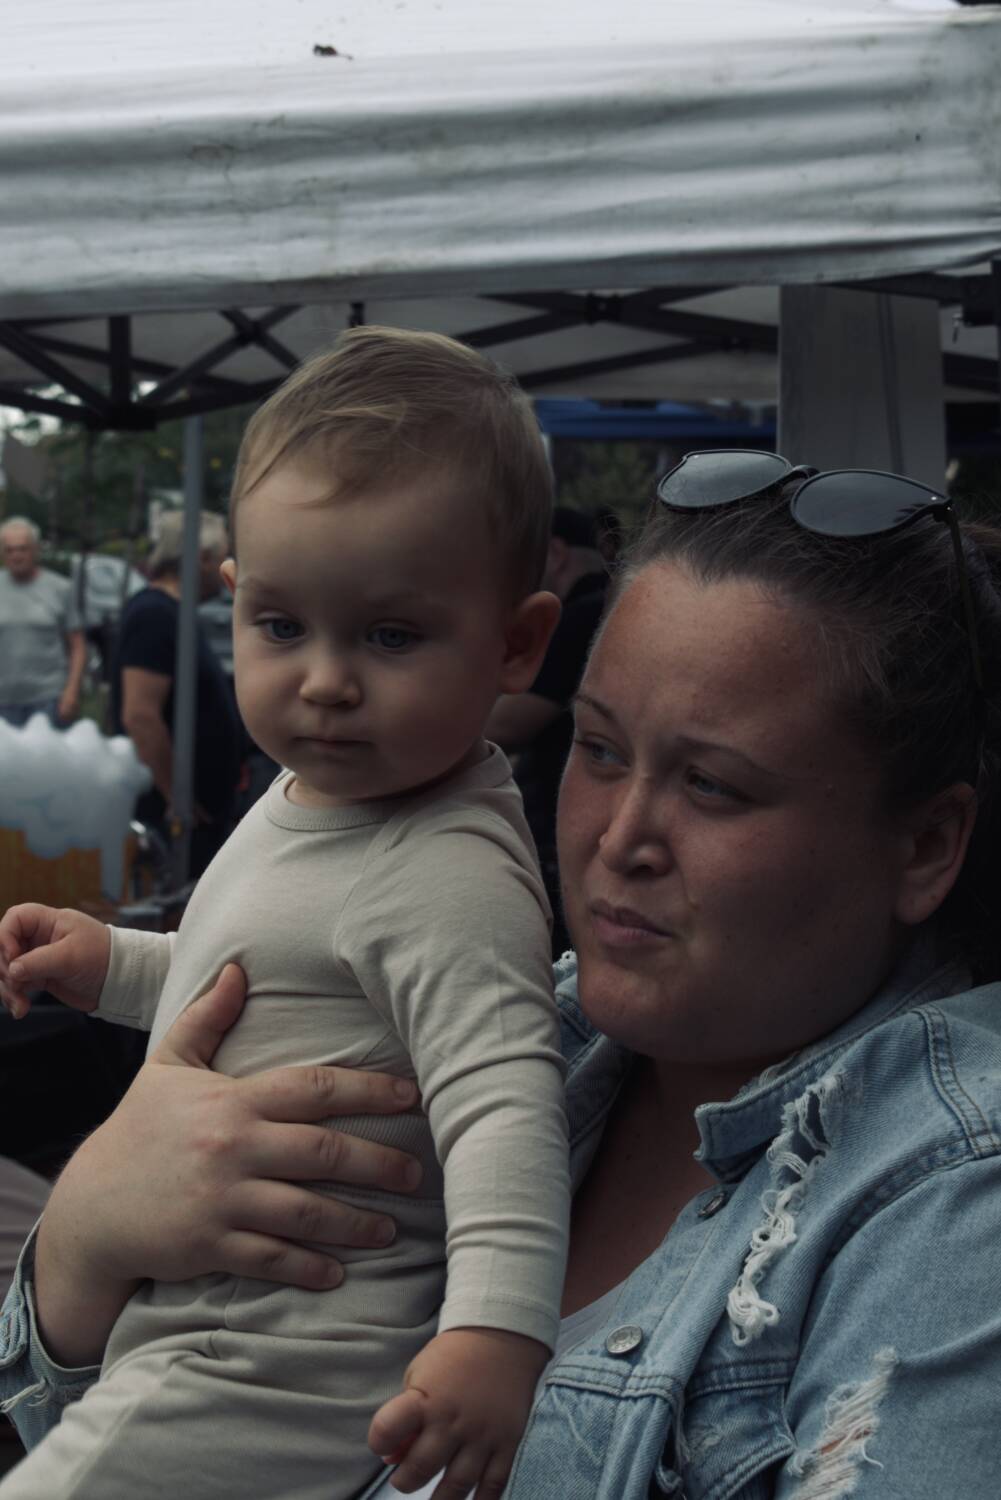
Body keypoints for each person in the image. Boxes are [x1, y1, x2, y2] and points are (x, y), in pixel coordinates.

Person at [4, 446, 1001, 1498]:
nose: (619, 838)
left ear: (925, 846)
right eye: (598, 748)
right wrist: (83, 1244)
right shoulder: (543, 1027)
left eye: (712, 785)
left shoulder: (951, 1208)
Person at [0, 327, 568, 1500]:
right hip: (198, 1315)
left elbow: (504, 1108)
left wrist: (495, 1332)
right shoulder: (316, 794)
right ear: (235, 599)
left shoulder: (445, 866)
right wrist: (110, 964)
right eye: (281, 628)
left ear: (515, 644)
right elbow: (245, 982)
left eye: (390, 635)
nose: (324, 681)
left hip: (275, 1359)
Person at [487, 506, 609, 952]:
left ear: (555, 553)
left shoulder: (581, 618)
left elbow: (507, 724)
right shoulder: (615, 611)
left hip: (561, 836)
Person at [110, 509, 243, 877]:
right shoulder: (154, 615)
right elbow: (140, 715)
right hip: (173, 814)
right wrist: (177, 795)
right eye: (223, 556)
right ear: (201, 558)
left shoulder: (176, 612)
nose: (227, 566)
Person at [0, 517, 86, 727]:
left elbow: (78, 646)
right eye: (9, 550)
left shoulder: (61, 588)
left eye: (22, 549)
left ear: (36, 550)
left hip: (48, 700)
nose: (16, 556)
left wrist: (72, 691)